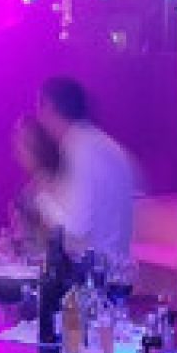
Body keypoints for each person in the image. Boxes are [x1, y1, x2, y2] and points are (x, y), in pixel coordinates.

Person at [33, 77, 140, 259]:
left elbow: (75, 230)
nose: (39, 119)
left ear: (49, 108)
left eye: (38, 109)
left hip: (97, 272)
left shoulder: (79, 147)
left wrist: (43, 197)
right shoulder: (103, 144)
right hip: (117, 267)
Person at [11, 114, 62, 246]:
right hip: (29, 256)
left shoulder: (54, 183)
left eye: (23, 143)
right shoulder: (29, 186)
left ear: (39, 144)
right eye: (16, 142)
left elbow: (55, 239)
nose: (17, 150)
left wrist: (30, 221)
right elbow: (21, 235)